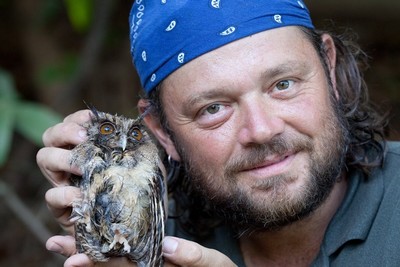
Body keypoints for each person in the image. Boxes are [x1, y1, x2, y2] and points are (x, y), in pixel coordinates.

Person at [36, 1, 400, 266]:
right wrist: (114, 236)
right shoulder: (157, 239)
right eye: (213, 109)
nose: (262, 130)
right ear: (162, 133)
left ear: (329, 68)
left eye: (283, 84)